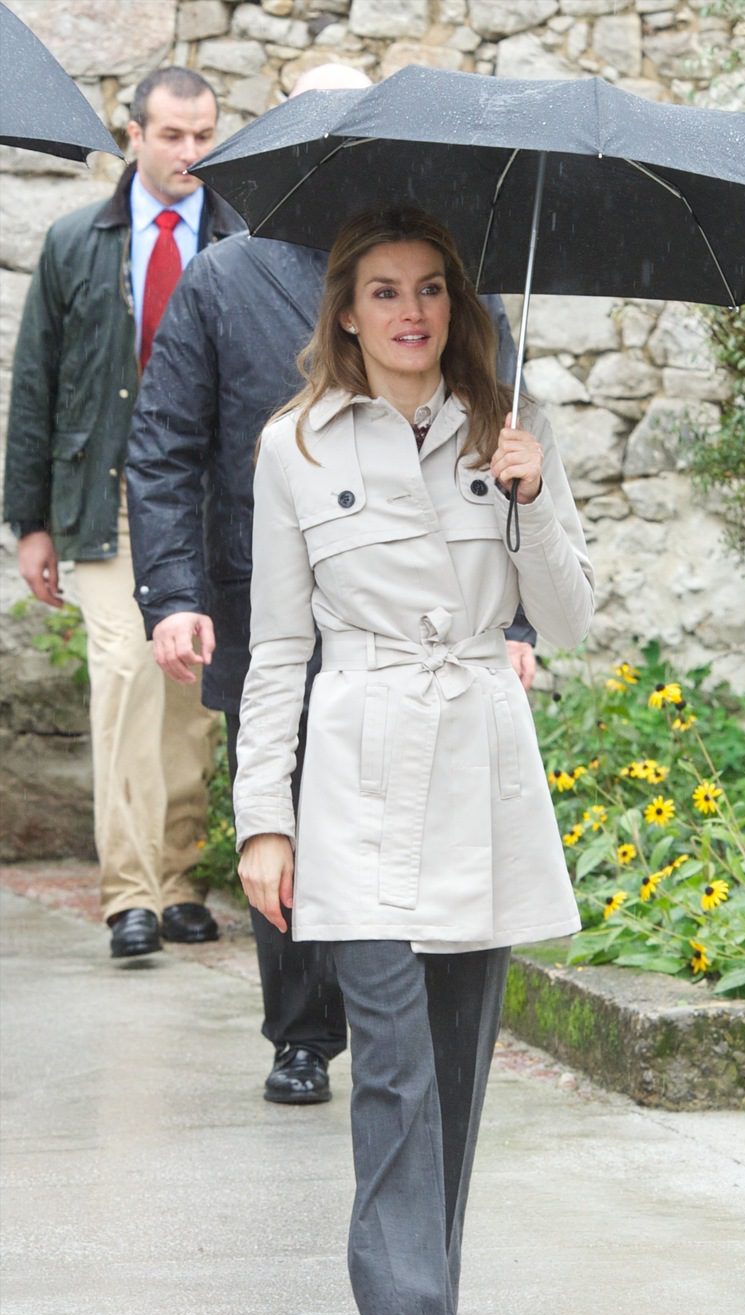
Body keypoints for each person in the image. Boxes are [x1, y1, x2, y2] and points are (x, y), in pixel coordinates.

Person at [232, 205, 594, 1315]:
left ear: (456, 305)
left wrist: (532, 498)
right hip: (355, 767)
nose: (408, 313)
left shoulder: (506, 437)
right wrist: (261, 820)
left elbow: (572, 618)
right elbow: (279, 649)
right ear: (343, 310)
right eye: (382, 292)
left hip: (479, 769)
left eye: (429, 289)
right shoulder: (294, 445)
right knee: (387, 1061)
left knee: (451, 1067)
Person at [126, 65, 537, 1106]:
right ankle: (302, 1029)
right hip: (266, 590)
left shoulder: (443, 279)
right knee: (286, 796)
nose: (409, 307)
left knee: (391, 821)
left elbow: (500, 466)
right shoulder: (225, 277)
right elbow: (166, 446)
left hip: (416, 612)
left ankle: (396, 1008)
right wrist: (172, 591)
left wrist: (520, 618)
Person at [3, 66, 241, 959]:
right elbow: (35, 385)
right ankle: (129, 893)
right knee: (128, 677)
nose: (190, 153)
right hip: (104, 501)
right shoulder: (77, 242)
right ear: (132, 136)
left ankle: (179, 880)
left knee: (191, 695)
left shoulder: (236, 238)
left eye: (204, 135)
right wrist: (30, 520)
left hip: (204, 505)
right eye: (173, 135)